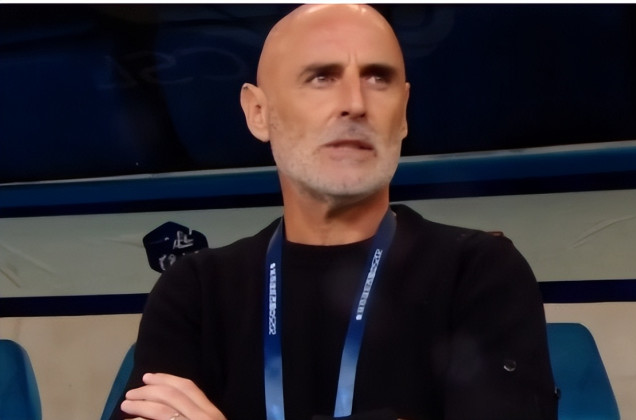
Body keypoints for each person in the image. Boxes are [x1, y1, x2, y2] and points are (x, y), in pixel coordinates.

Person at [113, 4, 558, 420]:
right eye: (321, 77)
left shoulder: (479, 272)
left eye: (378, 78)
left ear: (403, 112)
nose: (356, 103)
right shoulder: (194, 291)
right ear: (258, 113)